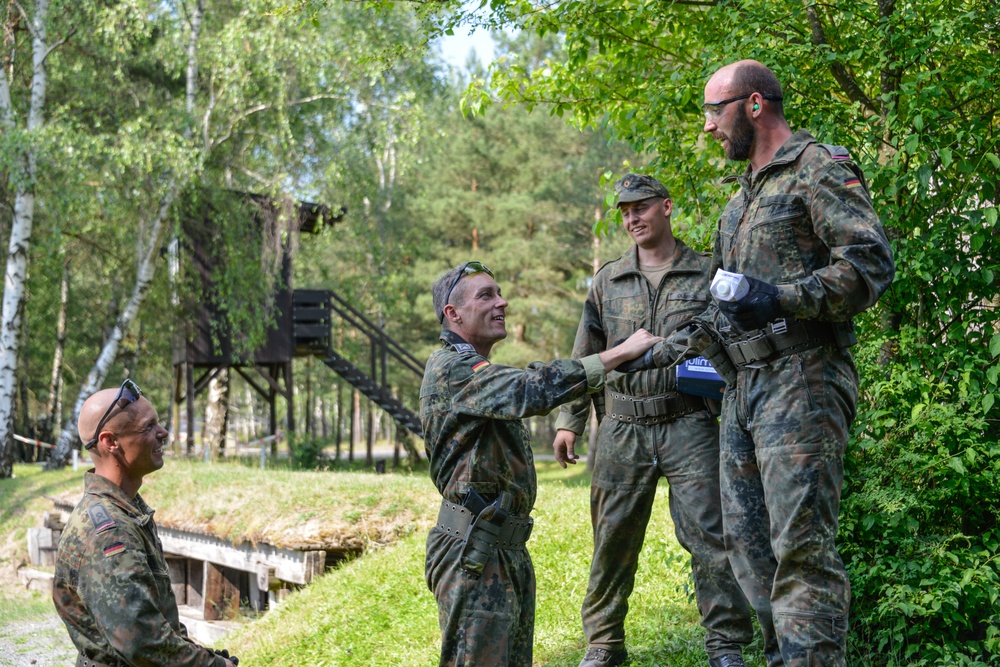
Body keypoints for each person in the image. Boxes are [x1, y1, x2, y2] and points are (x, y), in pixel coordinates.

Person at [646, 60, 893, 666]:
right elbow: (722, 308)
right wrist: (651, 351)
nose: (708, 127)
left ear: (753, 106)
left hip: (803, 379)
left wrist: (779, 297)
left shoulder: (817, 170)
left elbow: (868, 267)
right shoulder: (738, 203)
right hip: (743, 389)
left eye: (714, 111)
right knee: (751, 554)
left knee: (801, 552)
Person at [551, 174, 753, 667]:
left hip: (691, 423)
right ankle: (603, 644)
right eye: (623, 212)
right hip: (622, 426)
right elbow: (587, 354)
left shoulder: (706, 272)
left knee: (712, 537)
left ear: (666, 207)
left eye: (640, 207)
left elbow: (729, 342)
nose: (631, 218)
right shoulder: (608, 279)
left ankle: (725, 647)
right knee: (613, 539)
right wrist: (569, 421)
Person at [422, 261, 663, 667]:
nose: (503, 302)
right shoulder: (452, 369)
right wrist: (617, 354)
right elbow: (530, 389)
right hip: (475, 551)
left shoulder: (474, 369)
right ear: (453, 314)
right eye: (486, 296)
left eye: (499, 292)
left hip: (503, 548)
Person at [53, 379, 238, 667]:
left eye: (158, 423)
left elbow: (157, 622)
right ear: (110, 442)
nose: (163, 433)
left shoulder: (125, 510)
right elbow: (142, 643)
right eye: (148, 427)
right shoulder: (109, 535)